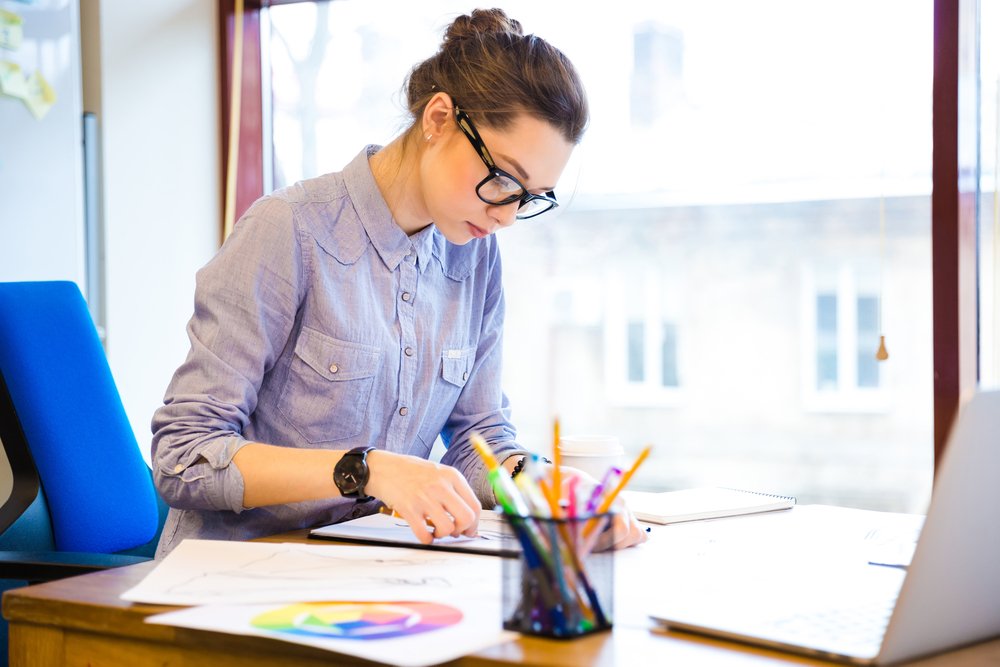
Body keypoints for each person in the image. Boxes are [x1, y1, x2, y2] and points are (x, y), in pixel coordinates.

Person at [151, 8, 647, 557]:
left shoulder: (475, 257)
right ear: (438, 119)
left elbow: (477, 440)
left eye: (531, 198)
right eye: (504, 179)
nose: (507, 215)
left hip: (370, 577)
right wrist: (366, 471)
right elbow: (184, 456)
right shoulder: (289, 230)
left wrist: (541, 483)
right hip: (235, 579)